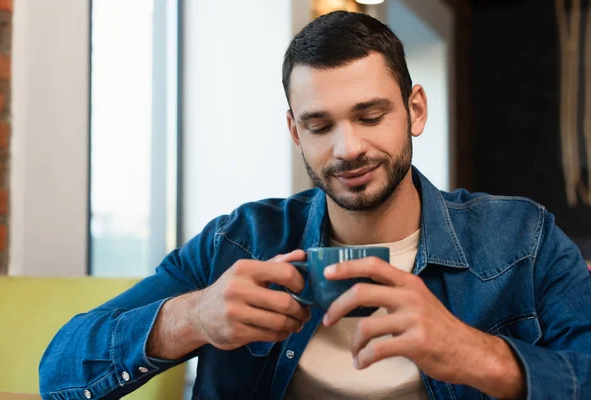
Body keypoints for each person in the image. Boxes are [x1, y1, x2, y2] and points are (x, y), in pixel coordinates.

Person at [39, 11, 591, 400]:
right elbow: (59, 370)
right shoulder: (238, 242)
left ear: (415, 110)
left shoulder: (523, 239)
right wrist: (196, 317)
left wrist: (471, 353)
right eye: (320, 125)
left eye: (371, 116)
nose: (347, 149)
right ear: (294, 131)